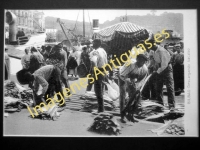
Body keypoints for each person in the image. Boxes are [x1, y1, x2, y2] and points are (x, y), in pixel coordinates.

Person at [117, 54, 148, 123]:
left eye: (143, 62)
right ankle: (122, 116)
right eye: (140, 61)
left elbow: (141, 80)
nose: (142, 63)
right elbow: (122, 75)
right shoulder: (129, 64)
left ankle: (130, 115)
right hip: (122, 77)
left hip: (133, 78)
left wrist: (137, 86)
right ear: (137, 60)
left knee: (135, 96)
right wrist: (128, 82)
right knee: (123, 95)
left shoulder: (145, 69)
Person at [147, 38, 176, 111]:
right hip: (159, 68)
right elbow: (152, 62)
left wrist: (157, 72)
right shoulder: (152, 51)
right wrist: (149, 68)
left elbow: (164, 64)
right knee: (158, 87)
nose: (149, 48)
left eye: (150, 46)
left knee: (170, 87)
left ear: (153, 44)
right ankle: (159, 104)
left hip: (167, 69)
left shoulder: (161, 51)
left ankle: (171, 106)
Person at [90, 39, 108, 113]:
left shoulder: (95, 52)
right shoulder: (103, 50)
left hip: (98, 71)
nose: (92, 44)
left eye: (93, 43)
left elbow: (93, 61)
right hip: (104, 70)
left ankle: (100, 109)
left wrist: (94, 69)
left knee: (98, 91)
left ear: (97, 44)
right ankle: (101, 108)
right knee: (101, 90)